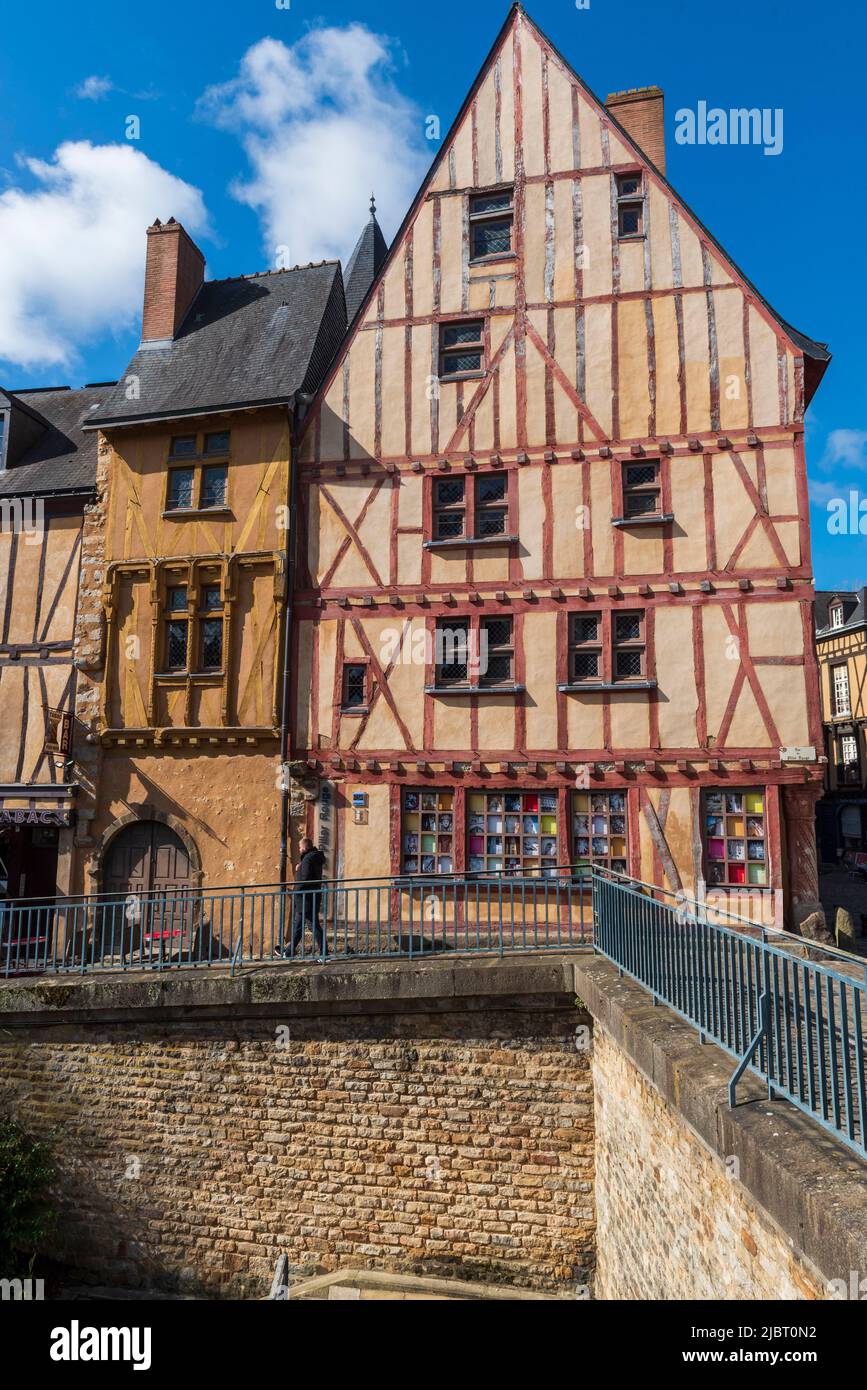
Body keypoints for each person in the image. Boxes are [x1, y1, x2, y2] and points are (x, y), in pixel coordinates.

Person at [284, 837, 326, 959]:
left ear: (306, 847)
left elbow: (306, 878)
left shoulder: (308, 859)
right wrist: (300, 867)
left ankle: (324, 954)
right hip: (308, 897)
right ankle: (288, 952)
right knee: (297, 927)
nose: (299, 849)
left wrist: (295, 890)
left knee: (313, 926)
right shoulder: (313, 858)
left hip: (305, 898)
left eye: (300, 847)